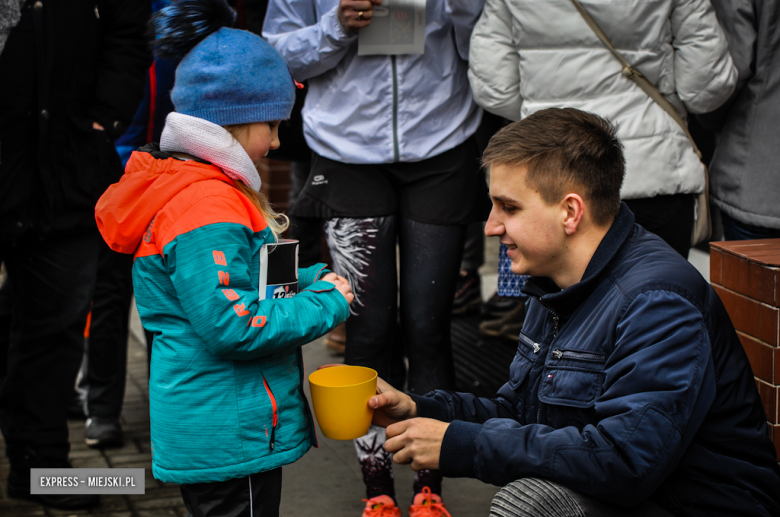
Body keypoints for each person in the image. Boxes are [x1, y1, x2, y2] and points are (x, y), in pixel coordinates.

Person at [366, 109, 780, 516]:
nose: (491, 226)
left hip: (691, 505)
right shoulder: (555, 280)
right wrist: (422, 409)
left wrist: (463, 443)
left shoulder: (658, 300)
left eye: (508, 208)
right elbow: (523, 414)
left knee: (531, 503)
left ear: (570, 212)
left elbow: (626, 462)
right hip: (636, 497)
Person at [94, 1, 353, 516]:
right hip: (230, 437)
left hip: (223, 428)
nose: (277, 142)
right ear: (233, 121)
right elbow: (237, 326)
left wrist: (306, 278)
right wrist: (327, 303)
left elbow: (237, 279)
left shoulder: (202, 189)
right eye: (272, 126)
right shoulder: (204, 206)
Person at [264, 0, 490, 514]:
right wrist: (336, 26)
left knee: (429, 326)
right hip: (346, 152)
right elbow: (279, 56)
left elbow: (486, 45)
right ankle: (377, 490)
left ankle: (429, 487)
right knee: (369, 328)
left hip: (442, 141)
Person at [0, 0, 150, 509]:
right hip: (18, 155)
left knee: (57, 327)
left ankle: (41, 469)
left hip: (67, 168)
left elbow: (129, 36)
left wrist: (105, 117)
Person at [468, 0, 737, 259]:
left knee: (558, 302)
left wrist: (549, 122)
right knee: (656, 295)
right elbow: (706, 87)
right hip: (655, 170)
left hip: (551, 179)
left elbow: (494, 87)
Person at [699, 0, 780, 241]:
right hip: (761, 181)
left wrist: (709, 118)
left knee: (750, 277)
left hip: (761, 177)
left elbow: (729, 70)